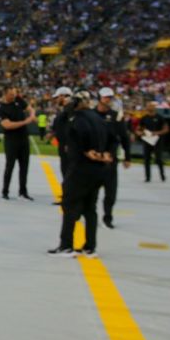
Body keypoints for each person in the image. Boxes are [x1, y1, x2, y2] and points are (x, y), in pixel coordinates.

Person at [48, 91, 116, 258]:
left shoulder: (78, 120)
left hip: (80, 169)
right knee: (90, 209)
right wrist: (105, 155)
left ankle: (66, 246)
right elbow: (114, 139)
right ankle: (90, 247)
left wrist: (89, 152)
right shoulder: (99, 119)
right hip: (99, 171)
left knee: (69, 206)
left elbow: (77, 145)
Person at [95, 87, 131, 229]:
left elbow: (124, 137)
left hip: (110, 159)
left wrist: (127, 157)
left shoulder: (116, 116)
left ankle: (107, 217)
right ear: (99, 98)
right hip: (93, 158)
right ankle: (88, 215)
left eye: (110, 97)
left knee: (111, 191)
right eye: (105, 97)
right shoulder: (90, 114)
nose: (108, 100)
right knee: (90, 191)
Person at [0, 87, 35, 200]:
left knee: (24, 167)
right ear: (5, 94)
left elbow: (30, 109)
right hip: (11, 141)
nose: (13, 96)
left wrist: (32, 115)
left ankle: (23, 192)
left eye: (14, 94)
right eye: (11, 94)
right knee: (10, 166)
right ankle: (5, 191)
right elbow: (7, 125)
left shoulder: (18, 100)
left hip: (24, 139)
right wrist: (26, 121)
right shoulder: (1, 109)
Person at [46, 86, 73, 205]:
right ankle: (67, 195)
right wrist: (53, 132)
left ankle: (69, 197)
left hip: (68, 146)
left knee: (68, 171)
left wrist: (69, 142)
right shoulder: (65, 109)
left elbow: (71, 127)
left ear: (63, 96)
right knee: (66, 171)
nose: (56, 100)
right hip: (64, 145)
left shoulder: (70, 109)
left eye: (58, 97)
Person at [137, 101, 169, 182]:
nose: (149, 107)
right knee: (146, 159)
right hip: (147, 140)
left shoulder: (160, 117)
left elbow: (166, 129)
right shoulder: (144, 118)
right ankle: (147, 177)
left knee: (159, 159)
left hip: (157, 140)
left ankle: (162, 175)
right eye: (148, 106)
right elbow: (138, 129)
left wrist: (157, 133)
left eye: (151, 106)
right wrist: (140, 133)